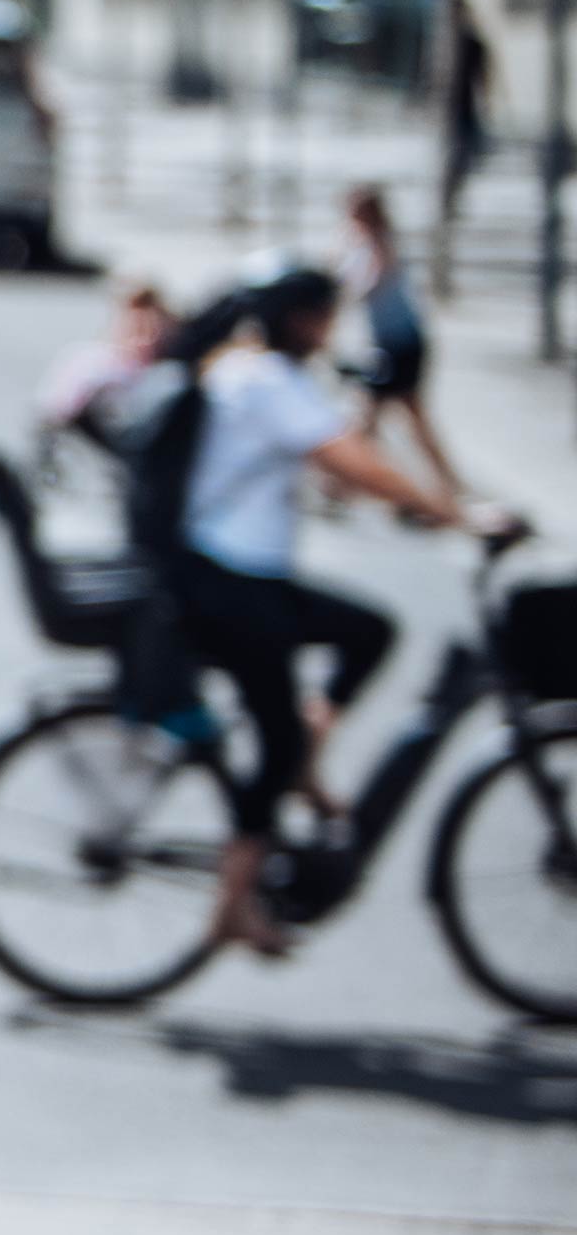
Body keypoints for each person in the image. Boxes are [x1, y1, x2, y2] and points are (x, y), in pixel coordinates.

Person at [171, 266, 474, 957]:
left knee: (368, 630)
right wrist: (446, 509)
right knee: (275, 741)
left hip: (228, 575)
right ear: (299, 319)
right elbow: (350, 460)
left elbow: (333, 462)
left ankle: (307, 750)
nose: (329, 331)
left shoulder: (242, 368)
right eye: (323, 317)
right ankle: (232, 904)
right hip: (233, 586)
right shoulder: (269, 382)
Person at [337, 184, 462, 506]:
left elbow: (371, 279)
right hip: (390, 341)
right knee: (377, 417)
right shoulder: (359, 242)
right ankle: (346, 483)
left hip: (400, 342)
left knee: (393, 416)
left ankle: (349, 484)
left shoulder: (380, 243)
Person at [38, 274, 177, 455]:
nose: (146, 338)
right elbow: (55, 412)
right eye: (137, 329)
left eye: (154, 330)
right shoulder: (94, 363)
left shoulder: (166, 370)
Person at [435, 0, 493, 299]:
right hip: (449, 125)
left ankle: (450, 210)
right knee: (448, 184)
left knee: (456, 179)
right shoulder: (445, 41)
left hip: (464, 122)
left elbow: (485, 81)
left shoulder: (470, 41)